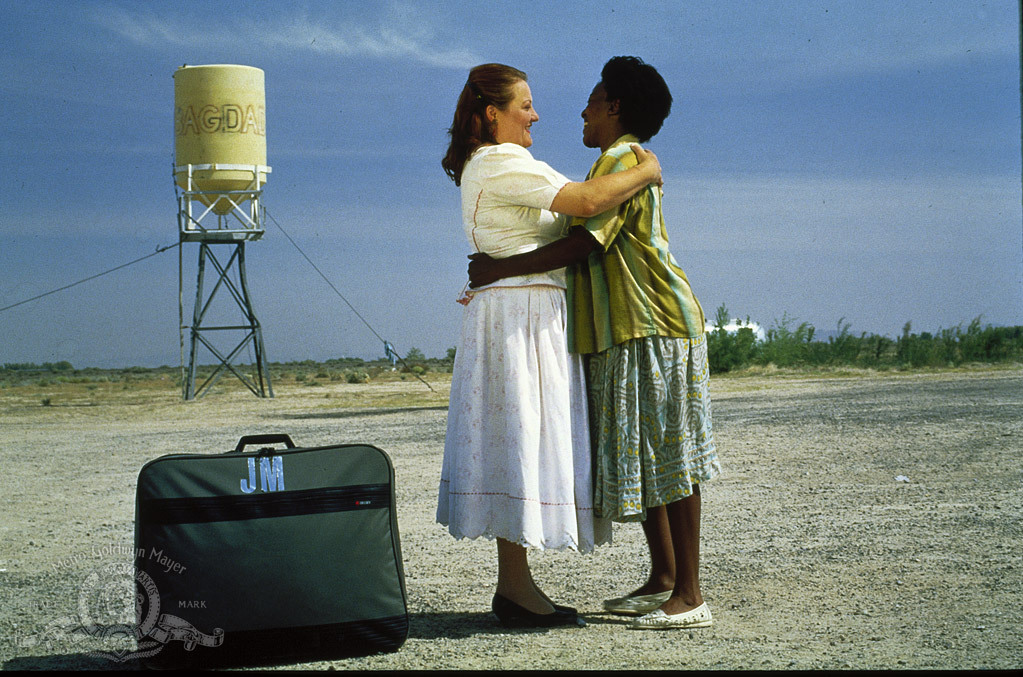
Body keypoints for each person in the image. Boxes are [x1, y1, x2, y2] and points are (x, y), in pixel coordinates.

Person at [467, 56, 721, 630]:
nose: (580, 110)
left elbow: (582, 243)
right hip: (624, 327)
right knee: (651, 453)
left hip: (653, 322)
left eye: (591, 99)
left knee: (671, 455)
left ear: (615, 108)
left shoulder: (623, 159)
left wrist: (495, 270)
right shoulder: (614, 164)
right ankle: (663, 578)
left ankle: (691, 593)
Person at [437, 63, 663, 629]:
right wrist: (649, 169)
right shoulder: (501, 160)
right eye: (525, 105)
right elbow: (586, 202)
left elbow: (569, 218)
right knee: (520, 436)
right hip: (519, 316)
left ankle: (516, 587)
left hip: (522, 310)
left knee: (521, 439)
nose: (536, 114)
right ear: (493, 114)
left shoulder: (497, 163)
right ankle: (514, 590)